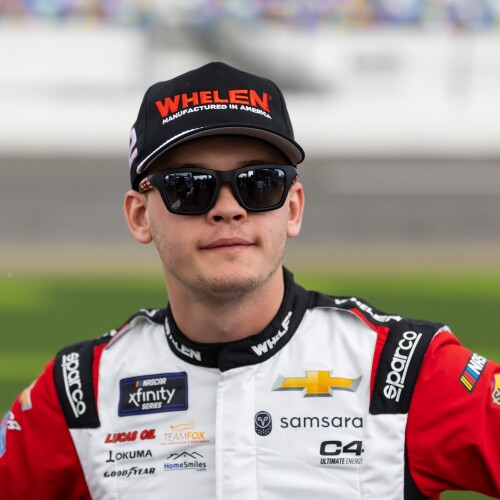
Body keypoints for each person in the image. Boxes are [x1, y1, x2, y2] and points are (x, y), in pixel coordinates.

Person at [1, 62, 499, 500]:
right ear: (139, 216)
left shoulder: (403, 370)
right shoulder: (79, 392)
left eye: (259, 184)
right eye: (189, 188)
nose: (228, 209)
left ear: (293, 208)